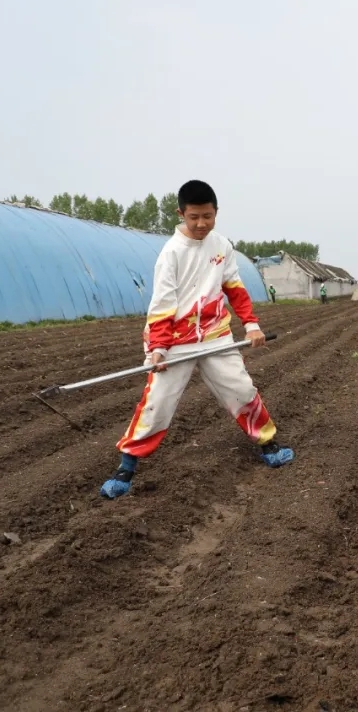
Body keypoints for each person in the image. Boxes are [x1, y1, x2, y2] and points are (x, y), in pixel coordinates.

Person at [102, 180, 294, 499]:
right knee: (158, 403)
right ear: (181, 214)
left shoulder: (222, 246)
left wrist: (251, 325)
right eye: (194, 217)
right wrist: (158, 348)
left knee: (241, 389)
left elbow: (234, 289)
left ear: (216, 212)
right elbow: (162, 305)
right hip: (175, 340)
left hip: (216, 334)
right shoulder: (171, 253)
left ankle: (268, 443)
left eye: (208, 216)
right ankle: (126, 467)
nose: (201, 223)